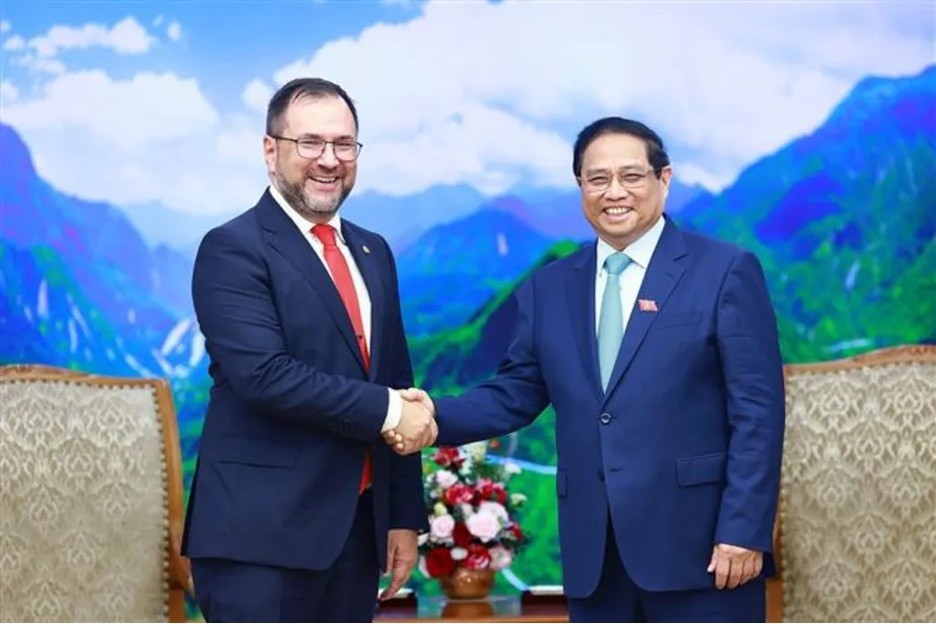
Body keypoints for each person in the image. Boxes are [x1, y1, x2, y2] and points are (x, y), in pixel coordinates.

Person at [390, 117, 785, 622]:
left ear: (664, 180)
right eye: (597, 179)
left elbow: (759, 415)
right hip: (595, 559)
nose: (614, 192)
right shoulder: (549, 287)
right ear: (580, 186)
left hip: (703, 552)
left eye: (631, 176)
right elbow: (515, 393)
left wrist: (743, 530)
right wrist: (431, 416)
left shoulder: (725, 271)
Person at [182, 77, 435, 623]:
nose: (329, 160)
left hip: (355, 535)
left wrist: (401, 516)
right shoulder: (232, 248)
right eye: (310, 143)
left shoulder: (373, 251)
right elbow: (266, 376)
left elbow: (397, 376)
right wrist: (394, 410)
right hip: (258, 544)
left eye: (344, 144)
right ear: (271, 151)